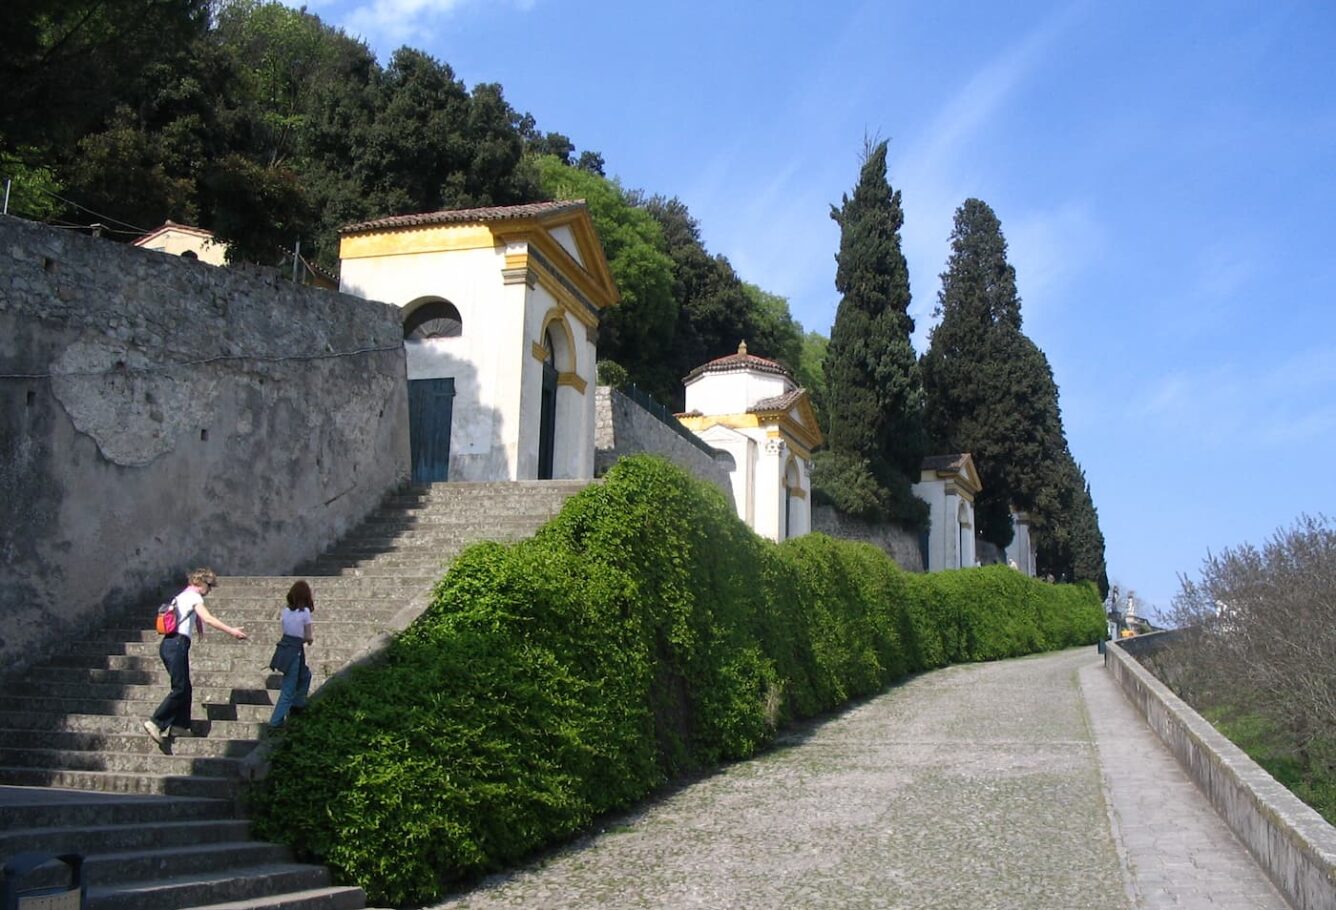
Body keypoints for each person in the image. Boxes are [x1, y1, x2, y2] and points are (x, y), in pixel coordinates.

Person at [145, 567, 247, 744]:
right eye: (209, 586)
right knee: (180, 688)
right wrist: (231, 630)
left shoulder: (182, 596)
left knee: (185, 687)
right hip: (177, 644)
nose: (210, 591)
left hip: (170, 644)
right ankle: (156, 722)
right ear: (201, 584)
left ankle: (180, 726)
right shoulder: (194, 597)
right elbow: (207, 618)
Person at [267, 580, 315, 728]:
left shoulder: (285, 611)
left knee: (305, 675)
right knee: (288, 688)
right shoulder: (305, 612)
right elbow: (308, 636)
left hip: (284, 648)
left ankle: (298, 704)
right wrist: (309, 640)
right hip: (295, 650)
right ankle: (275, 723)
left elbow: (286, 629)